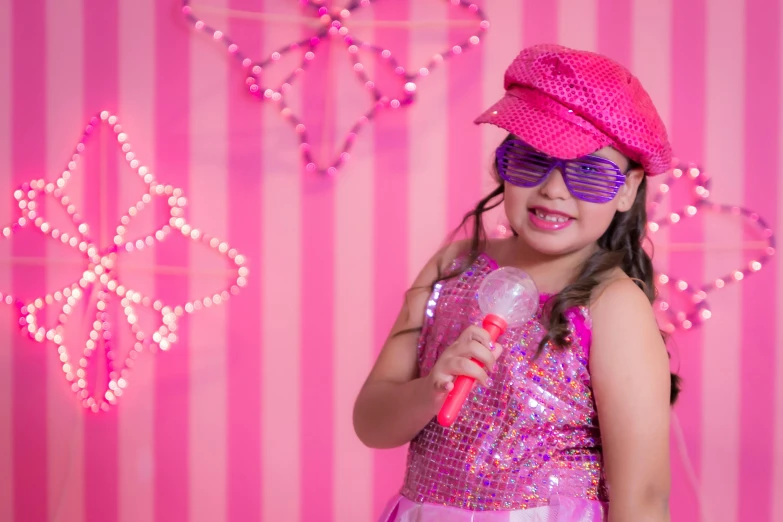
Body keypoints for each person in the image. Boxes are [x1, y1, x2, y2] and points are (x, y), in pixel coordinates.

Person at [353, 44, 681, 522]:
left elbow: (644, 495)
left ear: (628, 190)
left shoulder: (612, 305)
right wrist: (431, 390)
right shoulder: (453, 267)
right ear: (502, 164)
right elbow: (371, 424)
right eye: (530, 161)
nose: (553, 189)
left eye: (588, 173)